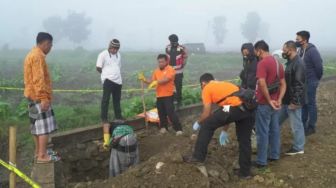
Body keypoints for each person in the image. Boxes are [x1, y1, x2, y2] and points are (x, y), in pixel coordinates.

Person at [183, 73, 255, 179]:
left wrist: (199, 122)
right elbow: (228, 107)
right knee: (244, 141)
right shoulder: (223, 84)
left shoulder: (207, 88)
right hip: (248, 109)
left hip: (234, 108)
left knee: (206, 125)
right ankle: (245, 173)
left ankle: (198, 157)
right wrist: (224, 131)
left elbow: (207, 112)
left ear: (203, 83)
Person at [24, 32, 60, 163]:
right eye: (50, 44)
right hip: (39, 98)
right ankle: (42, 156)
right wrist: (44, 98)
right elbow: (38, 80)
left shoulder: (31, 54)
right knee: (44, 128)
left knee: (35, 127)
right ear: (45, 43)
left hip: (31, 96)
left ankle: (38, 152)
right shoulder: (38, 56)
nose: (50, 47)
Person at [254, 40, 286, 168]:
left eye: (256, 52)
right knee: (274, 130)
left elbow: (261, 83)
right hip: (275, 103)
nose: (256, 54)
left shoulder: (262, 63)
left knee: (262, 132)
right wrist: (280, 99)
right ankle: (274, 155)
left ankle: (261, 161)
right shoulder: (278, 63)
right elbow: (283, 83)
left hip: (264, 104)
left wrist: (268, 101)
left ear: (259, 50)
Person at [138, 54, 183, 136]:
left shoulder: (171, 69)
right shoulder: (156, 71)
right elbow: (151, 81)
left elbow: (166, 79)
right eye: (159, 62)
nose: (160, 63)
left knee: (170, 112)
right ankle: (163, 128)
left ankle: (178, 129)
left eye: (162, 62)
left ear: (166, 61)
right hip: (159, 95)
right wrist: (144, 79)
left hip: (169, 94)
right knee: (161, 113)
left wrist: (157, 82)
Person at [279, 41, 306, 155]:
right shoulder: (290, 62)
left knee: (296, 124)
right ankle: (274, 143)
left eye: (285, 50)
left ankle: (299, 147)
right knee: (276, 121)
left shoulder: (298, 63)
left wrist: (295, 101)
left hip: (293, 101)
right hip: (286, 100)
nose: (283, 52)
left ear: (291, 50)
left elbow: (299, 84)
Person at [96, 39, 124, 149]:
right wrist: (106, 74)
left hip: (118, 81)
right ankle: (104, 118)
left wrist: (115, 73)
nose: (114, 50)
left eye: (116, 49)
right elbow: (98, 67)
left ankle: (119, 116)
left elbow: (119, 66)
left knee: (117, 100)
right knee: (106, 99)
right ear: (109, 47)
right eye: (113, 48)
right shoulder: (103, 54)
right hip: (108, 80)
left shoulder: (118, 55)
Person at [296, 31, 323, 136]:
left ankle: (311, 126)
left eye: (298, 39)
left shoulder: (312, 51)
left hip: (311, 81)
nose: (296, 41)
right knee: (304, 103)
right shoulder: (301, 51)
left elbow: (319, 67)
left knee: (310, 104)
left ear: (304, 40)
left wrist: (316, 78)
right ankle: (303, 125)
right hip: (303, 82)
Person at [166, 34, 188, 108]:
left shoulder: (182, 48)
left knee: (178, 87)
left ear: (177, 41)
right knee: (170, 87)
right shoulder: (167, 47)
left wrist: (182, 66)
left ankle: (179, 102)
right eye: (171, 41)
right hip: (170, 71)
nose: (172, 43)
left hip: (178, 72)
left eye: (173, 41)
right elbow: (166, 58)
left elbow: (185, 58)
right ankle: (172, 102)